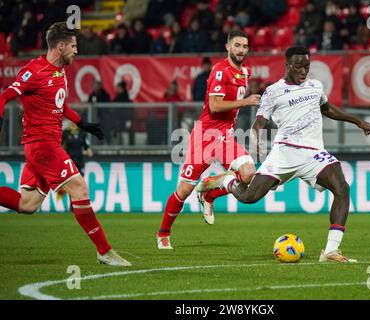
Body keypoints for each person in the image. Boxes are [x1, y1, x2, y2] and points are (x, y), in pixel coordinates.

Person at [197, 46, 370, 263]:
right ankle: (227, 182)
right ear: (287, 65)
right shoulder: (273, 91)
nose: (303, 71)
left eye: (307, 66)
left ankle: (330, 251)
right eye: (299, 66)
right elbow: (259, 121)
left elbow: (327, 109)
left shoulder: (315, 86)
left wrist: (358, 122)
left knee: (342, 188)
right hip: (285, 152)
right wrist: (257, 137)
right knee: (249, 197)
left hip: (314, 153)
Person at [0, 22, 131, 267]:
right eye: (73, 46)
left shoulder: (59, 71)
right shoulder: (34, 71)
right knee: (80, 189)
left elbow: (60, 105)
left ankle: (104, 252)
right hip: (43, 147)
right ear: (60, 46)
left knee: (27, 205)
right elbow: (5, 95)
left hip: (44, 146)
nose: (76, 50)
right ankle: (104, 251)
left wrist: (83, 124)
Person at [156, 30, 261, 249]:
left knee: (248, 173)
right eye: (238, 45)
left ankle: (210, 194)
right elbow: (214, 106)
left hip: (226, 137)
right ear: (228, 47)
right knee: (184, 191)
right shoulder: (219, 71)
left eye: (245, 46)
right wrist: (246, 102)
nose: (242, 50)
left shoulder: (246, 72)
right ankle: (163, 233)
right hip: (205, 137)